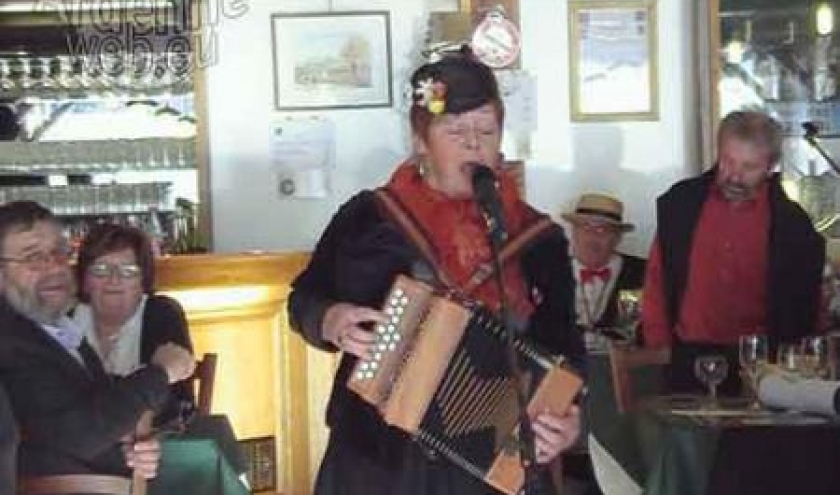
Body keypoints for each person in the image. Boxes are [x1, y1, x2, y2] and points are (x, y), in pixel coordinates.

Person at [288, 48, 584, 495]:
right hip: (378, 459)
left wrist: (571, 416)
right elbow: (303, 298)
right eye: (456, 130)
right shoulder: (370, 217)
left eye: (486, 129)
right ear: (421, 140)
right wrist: (328, 319)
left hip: (489, 462)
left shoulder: (536, 238)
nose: (474, 144)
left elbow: (566, 348)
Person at [0, 201, 195, 491]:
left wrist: (133, 447)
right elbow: (79, 435)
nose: (53, 267)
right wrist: (160, 372)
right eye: (33, 258)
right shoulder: (12, 338)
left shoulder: (55, 326)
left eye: (58, 253)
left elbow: (92, 410)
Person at [640, 110, 825, 394]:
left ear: (770, 166)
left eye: (749, 167)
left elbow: (807, 307)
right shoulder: (682, 204)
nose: (734, 176)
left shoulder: (792, 226)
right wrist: (659, 349)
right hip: (685, 360)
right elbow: (656, 279)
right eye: (727, 161)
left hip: (761, 366)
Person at [73, 223, 196, 428]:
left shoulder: (161, 314)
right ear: (85, 280)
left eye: (128, 271)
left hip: (147, 445)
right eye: (101, 270)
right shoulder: (66, 319)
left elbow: (178, 400)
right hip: (78, 442)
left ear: (143, 280)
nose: (114, 280)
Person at [561, 193, 645, 338]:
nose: (593, 238)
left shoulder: (640, 274)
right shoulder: (552, 273)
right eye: (586, 228)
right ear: (573, 232)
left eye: (603, 230)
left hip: (621, 359)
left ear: (618, 237)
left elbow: (631, 331)